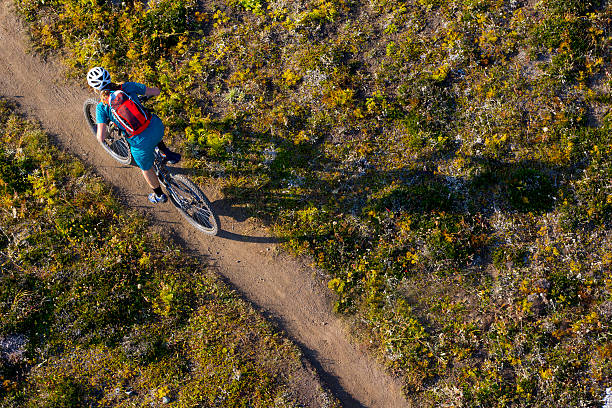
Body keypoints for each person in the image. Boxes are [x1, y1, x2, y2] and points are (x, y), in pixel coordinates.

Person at [87, 66, 181, 204]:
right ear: (110, 77)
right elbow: (156, 91)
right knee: (151, 127)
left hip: (140, 143)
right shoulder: (128, 86)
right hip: (157, 127)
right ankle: (166, 153)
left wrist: (102, 132)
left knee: (146, 168)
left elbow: (101, 137)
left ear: (95, 88)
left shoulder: (102, 107)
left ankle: (159, 195)